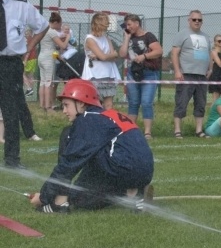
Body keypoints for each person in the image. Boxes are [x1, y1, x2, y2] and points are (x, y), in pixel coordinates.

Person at [27, 79, 154, 213]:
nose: (64, 111)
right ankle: (134, 192)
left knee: (68, 134)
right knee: (81, 199)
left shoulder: (88, 119)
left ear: (81, 103)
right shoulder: (106, 115)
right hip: (144, 173)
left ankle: (60, 203)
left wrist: (44, 196)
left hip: (121, 169)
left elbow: (69, 163)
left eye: (66, 105)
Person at [171, 11, 212, 139]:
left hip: (202, 76)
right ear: (189, 20)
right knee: (181, 102)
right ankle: (177, 130)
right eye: (194, 19)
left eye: (199, 20)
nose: (197, 22)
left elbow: (209, 54)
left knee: (201, 103)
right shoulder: (182, 34)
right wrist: (177, 71)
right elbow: (174, 53)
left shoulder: (205, 37)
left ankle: (199, 130)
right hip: (186, 74)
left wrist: (210, 68)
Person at [121, 13, 162, 140]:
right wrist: (127, 38)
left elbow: (158, 51)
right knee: (133, 102)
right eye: (126, 25)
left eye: (129, 24)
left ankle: (147, 132)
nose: (127, 27)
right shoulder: (128, 36)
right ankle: (130, 129)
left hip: (148, 72)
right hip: (133, 73)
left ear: (137, 23)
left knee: (146, 102)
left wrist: (144, 56)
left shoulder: (148, 36)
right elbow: (122, 53)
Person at [82, 12, 120, 109]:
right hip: (94, 75)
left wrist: (108, 56)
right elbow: (103, 57)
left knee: (109, 104)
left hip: (108, 74)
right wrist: (110, 55)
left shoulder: (107, 39)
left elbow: (114, 57)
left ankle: (108, 122)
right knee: (95, 103)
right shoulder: (90, 39)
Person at [37, 12, 70, 113]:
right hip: (48, 58)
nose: (60, 27)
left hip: (41, 56)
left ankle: (42, 104)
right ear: (55, 22)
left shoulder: (43, 28)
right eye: (60, 24)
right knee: (49, 83)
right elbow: (63, 46)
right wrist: (68, 37)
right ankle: (48, 107)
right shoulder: (51, 31)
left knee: (42, 82)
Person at [208, 34, 221, 102]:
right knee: (215, 99)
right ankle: (213, 112)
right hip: (215, 76)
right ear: (215, 42)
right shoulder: (213, 52)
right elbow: (220, 64)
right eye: (219, 41)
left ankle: (220, 111)